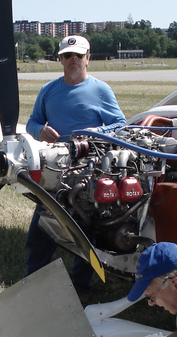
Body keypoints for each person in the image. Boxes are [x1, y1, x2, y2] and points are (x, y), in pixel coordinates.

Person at [24, 35, 126, 295]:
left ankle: (81, 288)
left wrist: (97, 131)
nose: (73, 60)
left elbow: (121, 124)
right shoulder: (48, 90)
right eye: (67, 56)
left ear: (88, 58)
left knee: (84, 231)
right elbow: (32, 123)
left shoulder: (101, 90)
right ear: (60, 60)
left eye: (78, 55)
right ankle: (33, 284)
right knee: (42, 231)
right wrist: (41, 131)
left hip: (88, 169)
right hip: (55, 167)